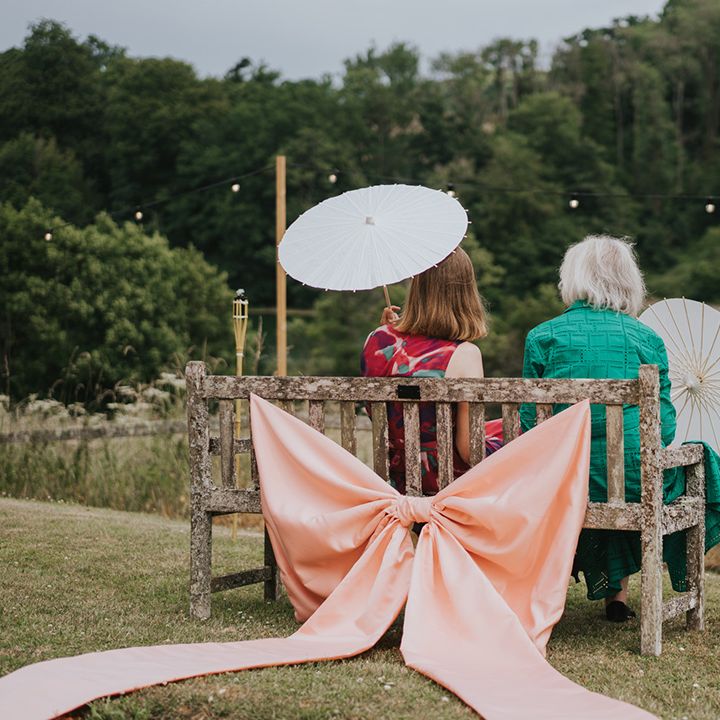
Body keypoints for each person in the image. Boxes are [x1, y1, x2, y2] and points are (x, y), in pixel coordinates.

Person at [520, 234, 720, 622]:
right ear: (630, 282)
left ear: (572, 279)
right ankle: (619, 596)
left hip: (560, 482)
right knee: (659, 465)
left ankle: (608, 594)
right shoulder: (647, 338)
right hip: (631, 486)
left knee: (601, 468)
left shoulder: (541, 337)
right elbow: (662, 430)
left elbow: (531, 424)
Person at [360, 247, 502, 496]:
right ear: (464, 293)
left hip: (393, 485)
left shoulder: (375, 340)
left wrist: (389, 334)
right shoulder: (465, 355)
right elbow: (470, 452)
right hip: (447, 490)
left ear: (417, 288)